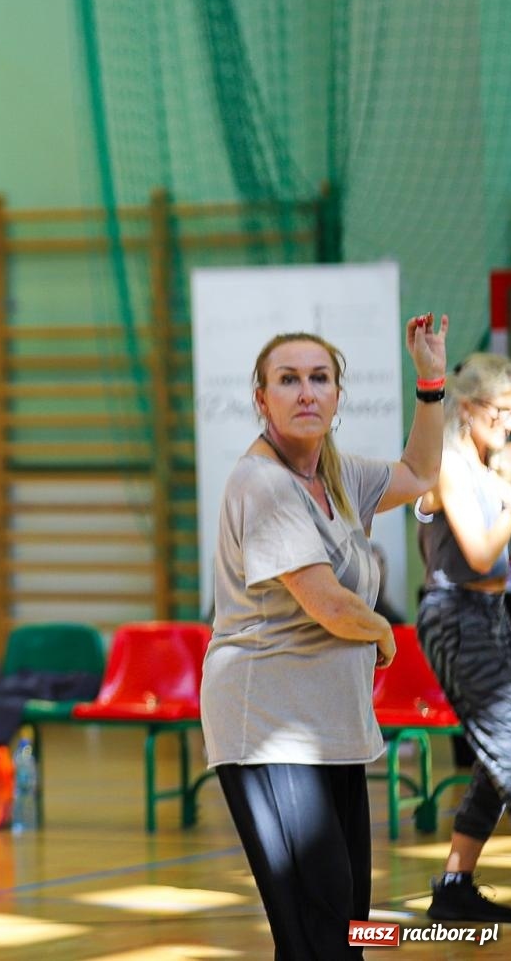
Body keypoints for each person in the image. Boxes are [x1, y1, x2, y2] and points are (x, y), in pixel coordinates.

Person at [201, 315, 446, 959]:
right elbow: (329, 605)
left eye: (319, 378)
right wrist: (386, 637)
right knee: (320, 931)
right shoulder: (262, 482)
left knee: (346, 928)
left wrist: (430, 382)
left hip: (326, 725)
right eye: (288, 380)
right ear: (262, 399)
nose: (306, 392)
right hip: (269, 727)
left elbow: (420, 474)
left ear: (338, 395)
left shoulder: (334, 473)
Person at [412, 352, 511, 921]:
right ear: (470, 408)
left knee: (494, 759)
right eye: (500, 412)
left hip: (494, 612)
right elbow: (477, 555)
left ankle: (454, 885)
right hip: (454, 615)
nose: (508, 423)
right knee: (510, 750)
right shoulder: (448, 462)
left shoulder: (487, 463)